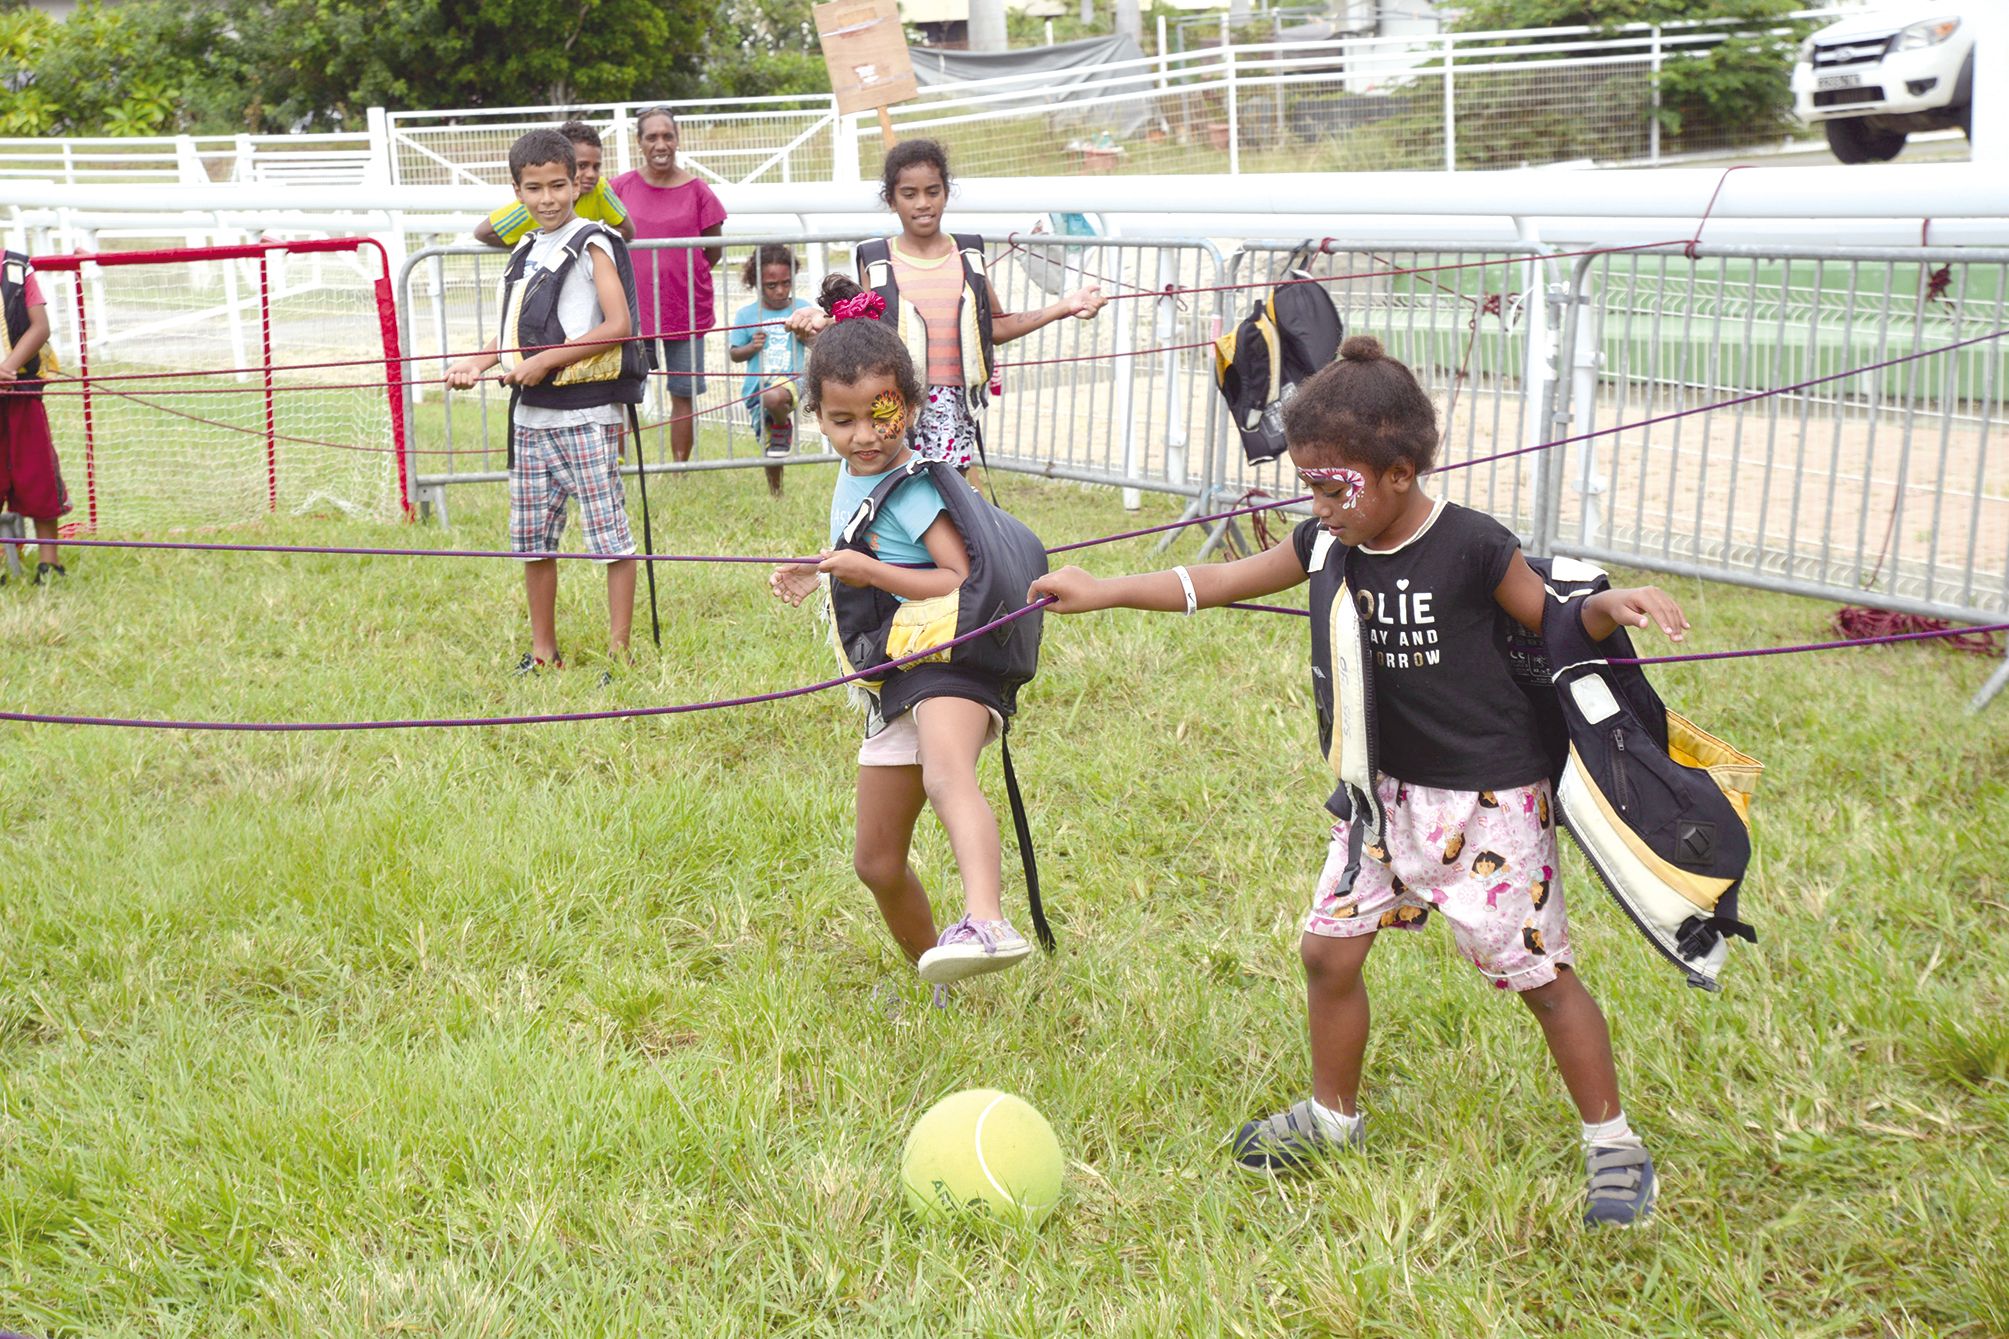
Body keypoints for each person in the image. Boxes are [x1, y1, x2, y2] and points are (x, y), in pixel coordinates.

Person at [1030, 335, 1694, 1227]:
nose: (1317, 503)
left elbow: (1553, 619)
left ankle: (1612, 1145)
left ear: (1399, 471)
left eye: (1332, 484)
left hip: (1486, 803)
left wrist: (1607, 609)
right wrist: (1103, 587)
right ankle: (1333, 1116)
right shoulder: (1325, 543)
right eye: (1306, 482)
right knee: (1326, 951)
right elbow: (1219, 577)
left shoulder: (1470, 545)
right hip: (1375, 797)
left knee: (1538, 975)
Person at [769, 274, 1034, 989]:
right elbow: (870, 551)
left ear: (912, 407)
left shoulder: (913, 484)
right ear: (817, 417)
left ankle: (987, 918)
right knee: (876, 861)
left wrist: (869, 571)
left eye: (881, 414)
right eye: (843, 418)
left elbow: (954, 579)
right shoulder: (856, 475)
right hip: (899, 673)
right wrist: (825, 568)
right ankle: (939, 977)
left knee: (949, 775)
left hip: (951, 662)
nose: (864, 435)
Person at [446, 128, 647, 680]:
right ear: (517, 192)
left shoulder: (594, 241)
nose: (548, 198)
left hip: (586, 414)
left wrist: (547, 361)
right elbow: (512, 334)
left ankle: (620, 655)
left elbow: (618, 324)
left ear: (577, 182)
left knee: (609, 539)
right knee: (533, 542)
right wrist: (478, 362)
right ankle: (543, 652)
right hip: (531, 419)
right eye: (533, 189)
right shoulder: (524, 249)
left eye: (558, 185)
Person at [786, 138, 1105, 473]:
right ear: (890, 199)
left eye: (932, 191)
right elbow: (861, 327)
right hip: (890, 399)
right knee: (891, 483)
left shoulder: (969, 256)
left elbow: (996, 325)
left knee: (948, 488)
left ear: (946, 193)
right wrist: (822, 322)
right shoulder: (876, 260)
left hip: (954, 404)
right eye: (909, 194)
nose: (922, 203)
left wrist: (1065, 306)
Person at [609, 106, 726, 465]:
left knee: (683, 391)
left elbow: (713, 248)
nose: (661, 144)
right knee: (623, 392)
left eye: (667, 136)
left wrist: (682, 273)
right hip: (631, 312)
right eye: (652, 137)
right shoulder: (620, 187)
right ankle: (618, 468)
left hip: (685, 309)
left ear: (677, 139)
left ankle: (679, 469)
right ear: (639, 142)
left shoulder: (698, 192)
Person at [0, 249, 68, 586]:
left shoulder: (14, 269)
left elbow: (40, 327)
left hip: (22, 391)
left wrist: (9, 366)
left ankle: (48, 563)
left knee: (37, 469)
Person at [475, 121, 635, 249]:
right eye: (582, 165)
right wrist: (538, 246)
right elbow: (483, 232)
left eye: (596, 167)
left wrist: (587, 242)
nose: (592, 174)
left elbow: (627, 230)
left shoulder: (600, 187)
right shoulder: (536, 203)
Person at [728, 245, 808, 499]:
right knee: (771, 448)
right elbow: (734, 353)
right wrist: (752, 346)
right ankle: (777, 493)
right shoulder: (747, 314)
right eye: (772, 285)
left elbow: (819, 343)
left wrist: (805, 333)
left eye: (786, 283)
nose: (781, 290)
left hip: (791, 384)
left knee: (774, 397)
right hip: (755, 391)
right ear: (757, 282)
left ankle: (782, 423)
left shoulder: (801, 308)